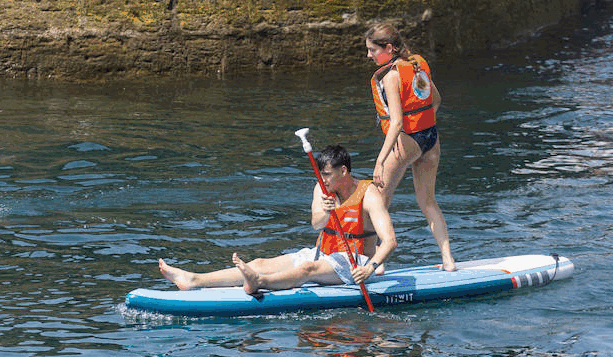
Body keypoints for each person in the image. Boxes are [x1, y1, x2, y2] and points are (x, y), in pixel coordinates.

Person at [158, 145, 397, 294]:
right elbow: (316, 224)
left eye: (327, 174)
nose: (322, 179)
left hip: (354, 262)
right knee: (260, 261)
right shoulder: (322, 188)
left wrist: (370, 268)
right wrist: (325, 211)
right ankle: (193, 279)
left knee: (307, 269)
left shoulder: (369, 195)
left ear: (343, 171)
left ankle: (258, 282)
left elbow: (389, 241)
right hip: (324, 254)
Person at [365, 22, 456, 271]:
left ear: (390, 48)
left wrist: (380, 160)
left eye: (373, 50)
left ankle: (377, 264)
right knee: (428, 201)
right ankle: (448, 261)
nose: (369, 55)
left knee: (375, 202)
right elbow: (436, 100)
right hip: (431, 139)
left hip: (406, 141)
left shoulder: (392, 75)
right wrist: (423, 127)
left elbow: (395, 124)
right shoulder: (418, 63)